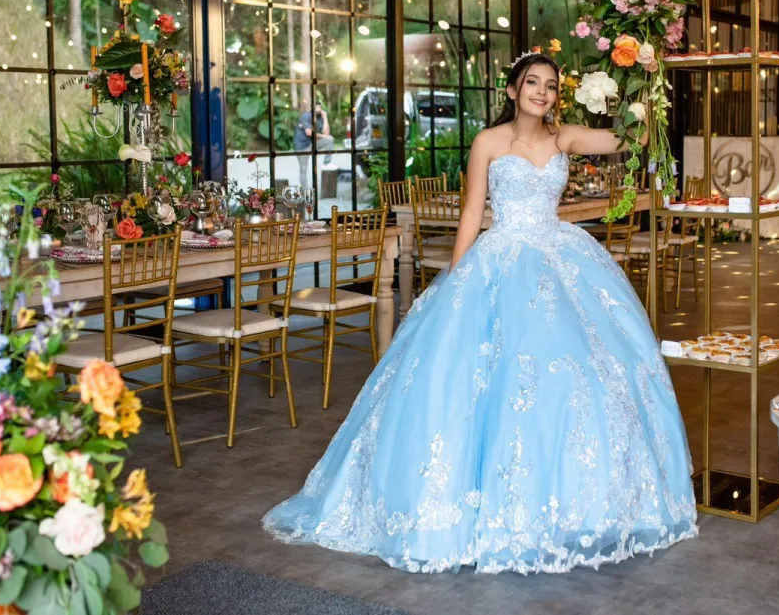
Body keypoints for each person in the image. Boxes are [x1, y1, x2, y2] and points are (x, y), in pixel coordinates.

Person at [263, 52, 698, 573]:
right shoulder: (488, 142)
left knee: (574, 374)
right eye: (532, 82)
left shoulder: (564, 137)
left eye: (551, 85)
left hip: (561, 256)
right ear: (512, 90)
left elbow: (630, 140)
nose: (541, 92)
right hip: (502, 256)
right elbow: (472, 211)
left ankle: (578, 503)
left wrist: (642, 84)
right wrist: (456, 278)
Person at [295, 103, 334, 187]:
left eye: (319, 107)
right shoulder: (306, 116)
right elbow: (309, 132)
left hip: (312, 144)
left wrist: (325, 118)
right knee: (303, 168)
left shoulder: (318, 119)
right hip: (302, 146)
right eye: (316, 107)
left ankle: (326, 163)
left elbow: (326, 133)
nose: (318, 109)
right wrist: (323, 136)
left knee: (330, 139)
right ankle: (304, 190)